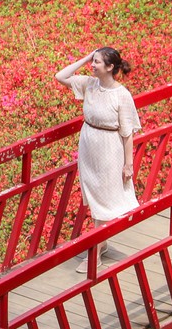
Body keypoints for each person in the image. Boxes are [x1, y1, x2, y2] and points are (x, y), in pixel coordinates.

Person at [54, 47, 141, 273]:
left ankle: (96, 248)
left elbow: (127, 131)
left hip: (110, 148)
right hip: (89, 146)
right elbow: (60, 76)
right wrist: (85, 58)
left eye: (98, 63)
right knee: (93, 193)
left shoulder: (121, 95)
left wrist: (128, 164)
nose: (93, 66)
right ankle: (100, 244)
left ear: (111, 67)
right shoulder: (89, 84)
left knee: (103, 196)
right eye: (93, 61)